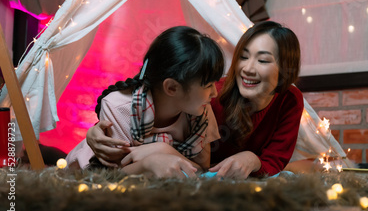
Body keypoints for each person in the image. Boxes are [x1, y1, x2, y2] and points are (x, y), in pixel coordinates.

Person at [85, 21, 304, 179]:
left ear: (285, 69)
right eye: (244, 57)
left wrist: (252, 159)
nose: (247, 68)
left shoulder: (289, 101)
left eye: (263, 60)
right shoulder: (207, 95)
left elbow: (274, 161)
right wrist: (95, 131)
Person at [65, 26, 225, 178]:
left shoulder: (201, 109)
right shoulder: (119, 108)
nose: (214, 93)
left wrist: (163, 150)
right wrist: (148, 163)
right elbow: (112, 176)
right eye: (208, 85)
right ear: (172, 87)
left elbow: (202, 171)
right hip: (86, 177)